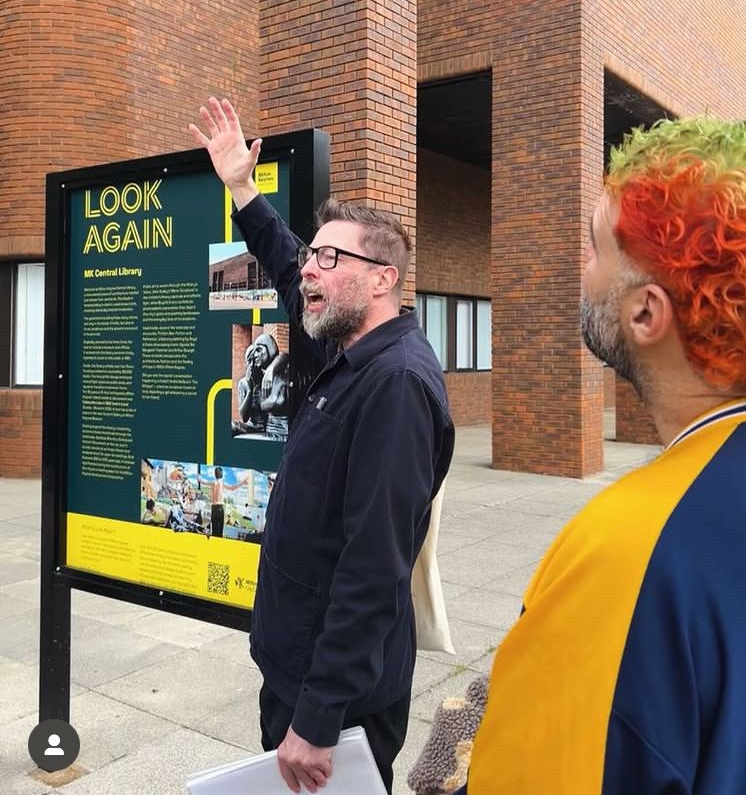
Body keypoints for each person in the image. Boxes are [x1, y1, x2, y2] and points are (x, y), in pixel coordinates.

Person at [453, 117, 746, 795]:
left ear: (647, 314)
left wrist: (462, 763)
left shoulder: (628, 547)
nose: (579, 270)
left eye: (593, 247)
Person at [190, 97, 454, 795]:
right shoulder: (346, 350)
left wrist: (317, 715)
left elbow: (373, 565)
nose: (308, 269)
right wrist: (243, 191)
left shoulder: (395, 386)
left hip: (334, 705)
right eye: (312, 254)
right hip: (298, 673)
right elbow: (283, 267)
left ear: (382, 279)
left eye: (329, 258)